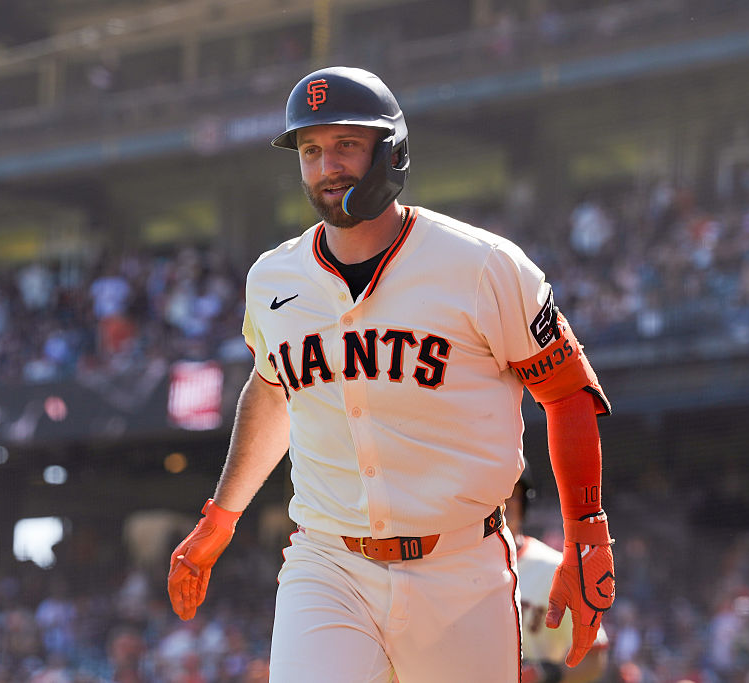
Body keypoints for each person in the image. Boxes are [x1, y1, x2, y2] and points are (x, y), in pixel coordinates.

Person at [167, 66, 616, 683]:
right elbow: (274, 391)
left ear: (392, 151)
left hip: (462, 564)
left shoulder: (482, 265)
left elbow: (567, 391)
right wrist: (220, 517)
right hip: (328, 561)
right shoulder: (273, 278)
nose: (329, 167)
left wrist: (586, 534)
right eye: (311, 150)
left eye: (347, 145)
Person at [508, 466, 610, 683]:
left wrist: (547, 674)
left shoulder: (557, 570)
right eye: (492, 494)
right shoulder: (453, 568)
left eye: (510, 494)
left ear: (524, 502)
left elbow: (594, 658)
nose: (501, 504)